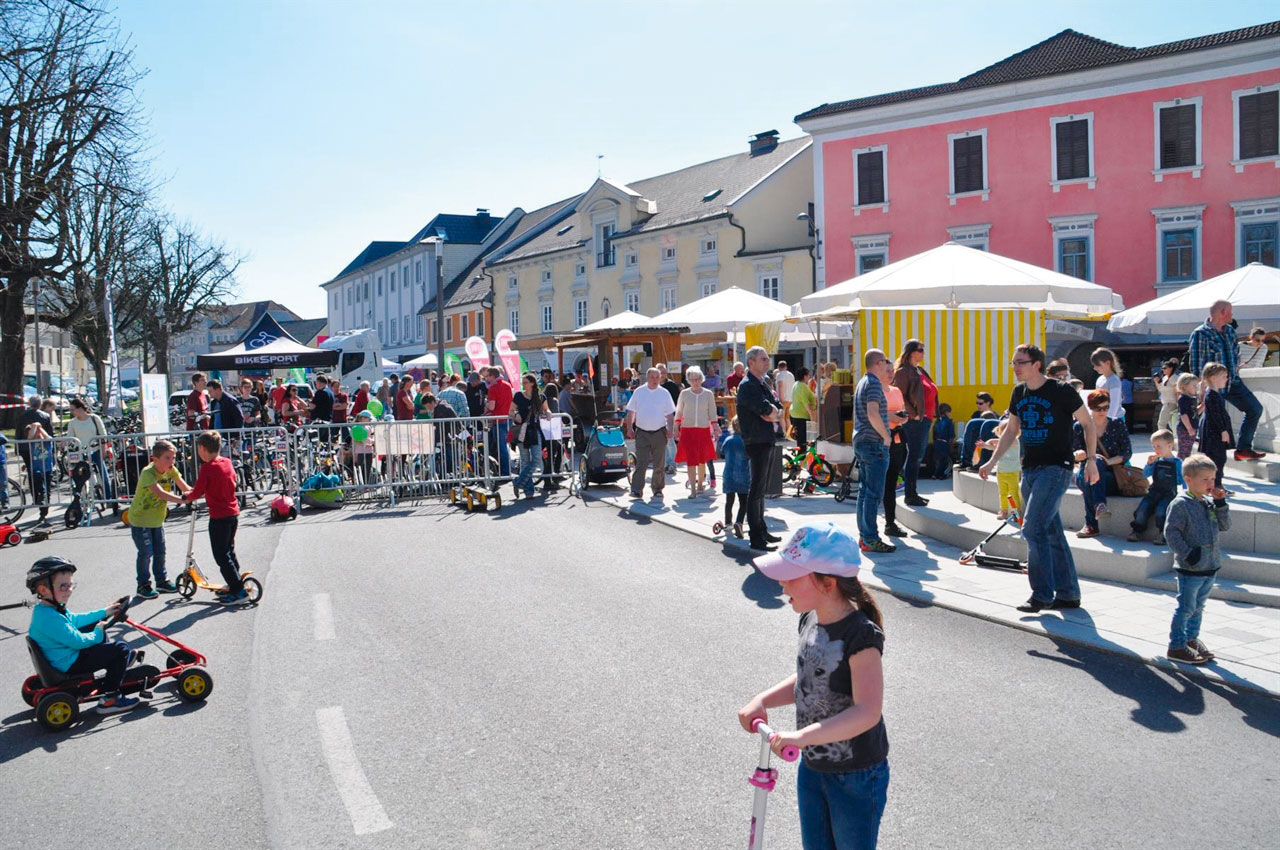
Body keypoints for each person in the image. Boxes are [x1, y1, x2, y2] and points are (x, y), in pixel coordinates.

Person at [738, 522, 889, 850]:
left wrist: (802, 737)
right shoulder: (810, 618)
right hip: (814, 765)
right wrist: (764, 700)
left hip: (856, 774)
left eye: (791, 576)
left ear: (827, 583)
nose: (781, 583)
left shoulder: (860, 635)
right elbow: (811, 677)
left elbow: (867, 711)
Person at [981, 343, 1097, 613]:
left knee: (1033, 528)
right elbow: (1011, 431)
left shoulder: (1062, 391)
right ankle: (1068, 594)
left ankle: (1042, 594)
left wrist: (1091, 460)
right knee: (1051, 532)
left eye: (1020, 362)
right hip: (1030, 469)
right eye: (1013, 363)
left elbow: (1087, 422)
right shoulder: (1019, 392)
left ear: (1036, 364)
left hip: (1056, 468)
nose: (1015, 367)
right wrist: (991, 461)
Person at [26, 556, 140, 714]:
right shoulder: (51, 618)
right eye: (63, 586)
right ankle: (111, 698)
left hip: (63, 658)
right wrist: (97, 632)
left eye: (70, 585)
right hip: (69, 664)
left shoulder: (47, 610)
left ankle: (116, 666)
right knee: (121, 649)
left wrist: (105, 612)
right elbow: (78, 642)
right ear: (43, 590)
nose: (69, 590)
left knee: (95, 628)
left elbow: (77, 619)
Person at [1164, 454, 1230, 664]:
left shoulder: (1209, 502)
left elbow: (1225, 525)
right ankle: (1176, 646)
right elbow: (1171, 533)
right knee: (1186, 608)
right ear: (1188, 479)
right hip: (1191, 567)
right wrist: (1188, 554)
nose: (1210, 483)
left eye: (1213, 479)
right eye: (1205, 479)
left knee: (1198, 608)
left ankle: (1191, 640)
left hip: (1210, 566)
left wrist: (1221, 503)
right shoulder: (1180, 504)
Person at [1187, 300, 1266, 460]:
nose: (1232, 315)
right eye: (1230, 311)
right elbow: (1196, 365)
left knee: (1255, 409)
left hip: (1232, 382)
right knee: (1214, 422)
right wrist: (1202, 390)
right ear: (1222, 313)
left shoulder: (1229, 331)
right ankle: (1209, 457)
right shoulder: (1200, 333)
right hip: (1213, 386)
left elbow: (1235, 354)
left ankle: (1243, 449)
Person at [182, 430, 248, 604]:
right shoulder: (226, 462)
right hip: (232, 512)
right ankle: (235, 582)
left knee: (221, 555)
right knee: (229, 550)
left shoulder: (207, 468)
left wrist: (187, 497)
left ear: (202, 449)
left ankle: (238, 591)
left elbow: (198, 491)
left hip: (219, 516)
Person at [127, 438, 190, 599]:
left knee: (160, 552)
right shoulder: (148, 473)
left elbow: (185, 487)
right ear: (155, 459)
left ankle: (162, 581)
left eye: (173, 457)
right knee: (146, 553)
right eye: (167, 458)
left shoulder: (171, 470)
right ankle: (143, 585)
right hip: (140, 520)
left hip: (157, 520)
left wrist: (199, 493)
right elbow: (160, 493)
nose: (171, 461)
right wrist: (182, 500)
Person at [737, 346, 784, 552]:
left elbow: (778, 408)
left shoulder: (762, 382)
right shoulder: (748, 385)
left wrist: (772, 413)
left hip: (766, 438)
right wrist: (771, 413)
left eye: (767, 359)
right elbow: (765, 409)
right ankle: (756, 536)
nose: (767, 362)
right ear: (751, 362)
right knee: (756, 488)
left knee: (762, 488)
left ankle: (762, 530)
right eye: (763, 359)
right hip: (756, 440)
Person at [1072, 389, 1131, 539]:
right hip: (1085, 471)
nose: (1103, 412)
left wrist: (1108, 461)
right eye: (1099, 408)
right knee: (1090, 473)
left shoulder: (1117, 424)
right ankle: (1099, 505)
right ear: (1091, 408)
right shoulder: (1080, 426)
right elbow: (1073, 451)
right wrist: (1078, 454)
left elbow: (1127, 452)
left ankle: (1091, 524)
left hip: (1111, 474)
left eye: (1106, 408)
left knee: (1094, 469)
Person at [852, 350, 895, 554]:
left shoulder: (863, 382)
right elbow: (872, 412)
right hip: (873, 443)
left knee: (864, 491)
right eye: (885, 361)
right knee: (873, 494)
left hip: (862, 441)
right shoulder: (874, 384)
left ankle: (864, 536)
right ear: (878, 363)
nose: (887, 365)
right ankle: (870, 538)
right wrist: (886, 436)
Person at [891, 339, 936, 507]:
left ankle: (912, 493)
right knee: (914, 456)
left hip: (924, 419)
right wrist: (914, 414)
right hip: (915, 420)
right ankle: (910, 494)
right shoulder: (904, 371)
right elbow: (900, 395)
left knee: (917, 456)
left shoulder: (919, 370)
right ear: (910, 352)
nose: (923, 353)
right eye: (920, 350)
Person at [624, 367, 676, 499]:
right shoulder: (639, 392)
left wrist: (671, 430)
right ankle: (636, 490)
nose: (655, 380)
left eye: (657, 377)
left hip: (659, 432)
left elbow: (670, 414)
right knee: (641, 462)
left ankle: (657, 489)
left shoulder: (664, 393)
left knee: (659, 463)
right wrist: (629, 428)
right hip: (642, 432)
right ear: (647, 378)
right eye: (652, 377)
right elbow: (631, 412)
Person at [1127, 430, 1184, 544]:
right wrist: (1149, 464)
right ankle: (1137, 531)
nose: (1155, 449)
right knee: (1142, 510)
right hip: (1154, 491)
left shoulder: (1178, 463)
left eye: (1159, 446)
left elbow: (1183, 480)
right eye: (1154, 446)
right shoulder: (1156, 461)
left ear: (1169, 446)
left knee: (1161, 512)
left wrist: (1186, 493)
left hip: (1169, 493)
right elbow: (1145, 474)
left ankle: (1163, 534)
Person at [66, 397, 117, 514]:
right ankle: (85, 500)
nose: (71, 412)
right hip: (81, 452)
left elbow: (102, 434)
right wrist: (66, 444)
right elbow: (70, 437)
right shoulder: (72, 423)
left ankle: (108, 498)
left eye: (73, 409)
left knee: (103, 473)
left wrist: (103, 449)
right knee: (81, 477)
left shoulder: (94, 418)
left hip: (96, 449)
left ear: (80, 408)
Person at [674, 366, 718, 497]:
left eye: (697, 378)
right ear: (688, 380)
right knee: (691, 460)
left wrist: (715, 427)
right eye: (692, 379)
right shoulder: (684, 393)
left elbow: (712, 412)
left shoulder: (708, 394)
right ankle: (693, 489)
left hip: (703, 430)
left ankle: (700, 485)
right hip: (688, 430)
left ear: (701, 379)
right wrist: (676, 427)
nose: (695, 382)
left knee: (702, 460)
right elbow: (679, 411)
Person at [880, 380, 911, 539]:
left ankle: (890, 523)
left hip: (897, 439)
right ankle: (874, 528)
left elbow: (903, 411)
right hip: (881, 440)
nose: (890, 373)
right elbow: (870, 415)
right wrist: (891, 417)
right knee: (880, 485)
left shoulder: (896, 390)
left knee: (891, 482)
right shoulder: (874, 390)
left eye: (892, 370)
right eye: (887, 370)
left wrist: (902, 418)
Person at [510, 374, 548, 499]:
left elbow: (546, 409)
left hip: (535, 430)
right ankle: (529, 491)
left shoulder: (540, 397)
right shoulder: (518, 396)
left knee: (536, 458)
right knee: (525, 461)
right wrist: (515, 415)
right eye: (523, 382)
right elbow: (510, 411)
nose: (523, 384)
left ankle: (518, 482)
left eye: (525, 382)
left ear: (532, 383)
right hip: (522, 431)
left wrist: (548, 413)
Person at [1197, 362, 1233, 489]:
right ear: (1213, 378)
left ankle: (1216, 485)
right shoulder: (1211, 395)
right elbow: (1215, 415)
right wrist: (1223, 430)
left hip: (1214, 431)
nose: (1226, 379)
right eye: (1223, 376)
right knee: (1218, 459)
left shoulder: (1214, 394)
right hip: (1214, 433)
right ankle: (1216, 486)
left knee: (1219, 459)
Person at [984, 416, 1022, 520]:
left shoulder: (1015, 441)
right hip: (1001, 472)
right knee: (1003, 493)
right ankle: (1003, 510)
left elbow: (1006, 441)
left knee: (1013, 493)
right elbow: (994, 447)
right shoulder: (1001, 445)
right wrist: (984, 446)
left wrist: (992, 440)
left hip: (1013, 472)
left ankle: (1016, 512)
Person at [720, 417, 750, 539]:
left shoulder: (728, 440)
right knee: (743, 502)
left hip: (728, 474)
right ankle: (739, 522)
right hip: (743, 475)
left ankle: (728, 522)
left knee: (729, 501)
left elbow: (722, 454)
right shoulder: (746, 441)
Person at [483, 367, 513, 477]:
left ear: (492, 376)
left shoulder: (493, 388)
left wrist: (486, 403)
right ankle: (506, 470)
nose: (486, 378)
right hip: (508, 418)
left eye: (487, 376)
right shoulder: (508, 385)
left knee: (501, 447)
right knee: (505, 446)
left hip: (498, 420)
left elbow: (492, 406)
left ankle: (505, 472)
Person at [958, 392, 996, 471]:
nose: (978, 405)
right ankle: (966, 461)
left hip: (986, 438)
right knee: (962, 442)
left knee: (986, 426)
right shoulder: (976, 414)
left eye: (980, 403)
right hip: (977, 440)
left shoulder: (994, 416)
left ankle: (982, 462)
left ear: (988, 403)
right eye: (977, 403)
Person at [657, 364, 682, 475]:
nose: (662, 375)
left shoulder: (671, 386)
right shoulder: (652, 386)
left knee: (670, 441)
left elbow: (678, 402)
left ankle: (671, 464)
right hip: (656, 417)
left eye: (664, 373)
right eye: (660, 373)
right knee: (660, 442)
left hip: (669, 416)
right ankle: (664, 464)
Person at [1090, 347, 1124, 422]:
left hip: (1115, 420)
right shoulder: (1099, 380)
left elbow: (1114, 405)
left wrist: (1107, 422)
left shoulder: (1114, 380)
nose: (1094, 368)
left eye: (1097, 365)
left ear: (1108, 363)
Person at [790, 367, 816, 454]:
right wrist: (812, 417)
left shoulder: (796, 384)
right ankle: (802, 457)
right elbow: (806, 403)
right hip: (802, 415)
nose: (809, 377)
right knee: (803, 439)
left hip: (795, 414)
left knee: (800, 439)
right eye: (808, 375)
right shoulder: (803, 387)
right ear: (804, 376)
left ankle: (800, 456)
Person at [1174, 373, 1199, 460]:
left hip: (1191, 428)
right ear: (1184, 387)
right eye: (1194, 386)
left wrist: (1203, 405)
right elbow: (1183, 415)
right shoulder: (1183, 398)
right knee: (1183, 451)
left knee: (1188, 450)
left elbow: (1194, 412)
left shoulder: (1192, 398)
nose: (1196, 388)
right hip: (1185, 429)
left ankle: (1185, 466)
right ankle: (1179, 465)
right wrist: (1189, 428)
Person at [1155, 359, 1181, 433]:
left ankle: (1162, 437)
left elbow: (1177, 391)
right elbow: (1160, 389)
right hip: (1166, 402)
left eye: (1165, 368)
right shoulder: (1164, 378)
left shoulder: (1175, 378)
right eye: (1162, 368)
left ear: (1171, 368)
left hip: (1171, 403)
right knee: (1171, 424)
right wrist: (1156, 382)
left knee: (1161, 423)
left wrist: (1179, 403)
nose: (1163, 370)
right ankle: (1173, 436)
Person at [930, 403, 955, 479]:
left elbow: (934, 433)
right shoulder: (949, 422)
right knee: (943, 460)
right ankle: (938, 474)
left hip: (937, 442)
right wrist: (951, 445)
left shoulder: (937, 421)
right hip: (945, 442)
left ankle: (937, 474)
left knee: (938, 459)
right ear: (946, 412)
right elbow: (951, 435)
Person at [774, 359, 796, 434]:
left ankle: (783, 432)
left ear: (778, 367)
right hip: (790, 399)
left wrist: (780, 399)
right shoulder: (791, 375)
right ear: (786, 367)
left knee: (782, 417)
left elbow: (780, 386)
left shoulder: (779, 375)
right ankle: (789, 433)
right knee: (787, 418)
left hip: (783, 399)